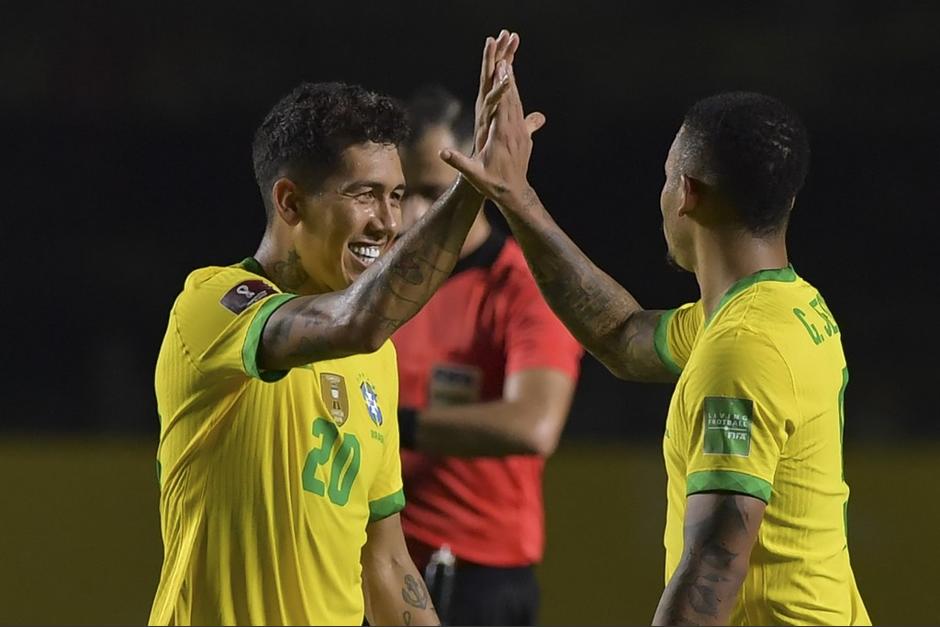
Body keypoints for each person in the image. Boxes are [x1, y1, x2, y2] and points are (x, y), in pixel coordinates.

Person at [149, 29, 546, 626]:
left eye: (398, 196)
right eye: (365, 195)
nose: (388, 223)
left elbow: (385, 564)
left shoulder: (374, 354)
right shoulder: (212, 307)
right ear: (290, 203)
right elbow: (354, 321)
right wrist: (473, 188)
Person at [443, 91, 870, 625]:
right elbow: (622, 336)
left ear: (686, 193)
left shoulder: (742, 348)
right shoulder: (788, 307)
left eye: (668, 177)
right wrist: (516, 196)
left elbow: (716, 559)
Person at [392, 85, 583, 625]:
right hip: (375, 560)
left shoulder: (520, 287)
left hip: (475, 575)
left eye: (430, 192)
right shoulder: (378, 285)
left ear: (470, 180)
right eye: (397, 192)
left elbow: (534, 425)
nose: (410, 214)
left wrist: (389, 428)